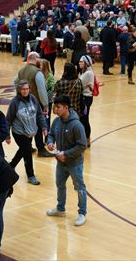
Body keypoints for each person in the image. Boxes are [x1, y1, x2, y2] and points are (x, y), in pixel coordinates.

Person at [45, 95, 88, 227]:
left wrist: (66, 154)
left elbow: (82, 145)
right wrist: (50, 142)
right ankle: (60, 209)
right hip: (61, 163)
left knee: (79, 188)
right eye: (55, 107)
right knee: (60, 185)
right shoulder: (56, 122)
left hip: (74, 163)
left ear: (66, 107)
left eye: (58, 107)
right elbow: (51, 134)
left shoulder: (76, 125)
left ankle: (82, 213)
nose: (55, 110)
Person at [6, 80, 48, 185]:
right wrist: (7, 135)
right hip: (19, 132)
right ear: (19, 90)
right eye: (23, 89)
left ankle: (10, 166)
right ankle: (31, 175)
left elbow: (39, 114)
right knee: (27, 152)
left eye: (27, 89)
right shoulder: (15, 102)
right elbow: (8, 119)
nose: (25, 91)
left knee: (23, 149)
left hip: (30, 131)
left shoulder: (33, 99)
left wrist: (44, 127)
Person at [15, 52, 52, 157]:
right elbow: (41, 90)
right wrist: (45, 105)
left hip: (23, 102)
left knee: (27, 123)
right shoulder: (37, 72)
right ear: (35, 58)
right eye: (39, 58)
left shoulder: (21, 71)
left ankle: (28, 146)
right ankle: (41, 148)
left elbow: (15, 83)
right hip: (36, 103)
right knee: (39, 125)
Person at [78, 55, 97, 148]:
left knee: (84, 120)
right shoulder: (86, 72)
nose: (79, 63)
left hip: (86, 98)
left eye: (81, 61)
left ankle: (87, 139)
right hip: (85, 97)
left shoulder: (88, 73)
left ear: (86, 63)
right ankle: (84, 139)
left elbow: (78, 84)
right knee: (83, 119)